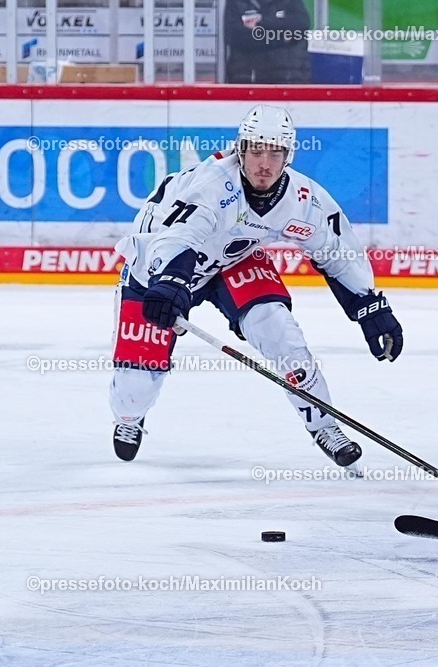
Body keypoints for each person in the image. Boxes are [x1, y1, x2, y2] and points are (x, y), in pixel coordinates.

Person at [109, 105, 403, 471]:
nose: (264, 163)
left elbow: (337, 250)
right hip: (157, 268)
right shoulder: (212, 185)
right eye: (256, 151)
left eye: (275, 152)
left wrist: (370, 305)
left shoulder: (304, 200)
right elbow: (179, 236)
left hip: (233, 260)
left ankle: (325, 425)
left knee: (278, 328)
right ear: (240, 150)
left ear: (288, 155)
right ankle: (129, 418)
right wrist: (169, 281)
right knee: (134, 392)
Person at [224, 0, 311, 84]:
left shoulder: (291, 2)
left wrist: (262, 22)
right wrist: (283, 39)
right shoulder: (235, 3)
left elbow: (301, 24)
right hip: (248, 81)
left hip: (290, 80)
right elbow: (237, 37)